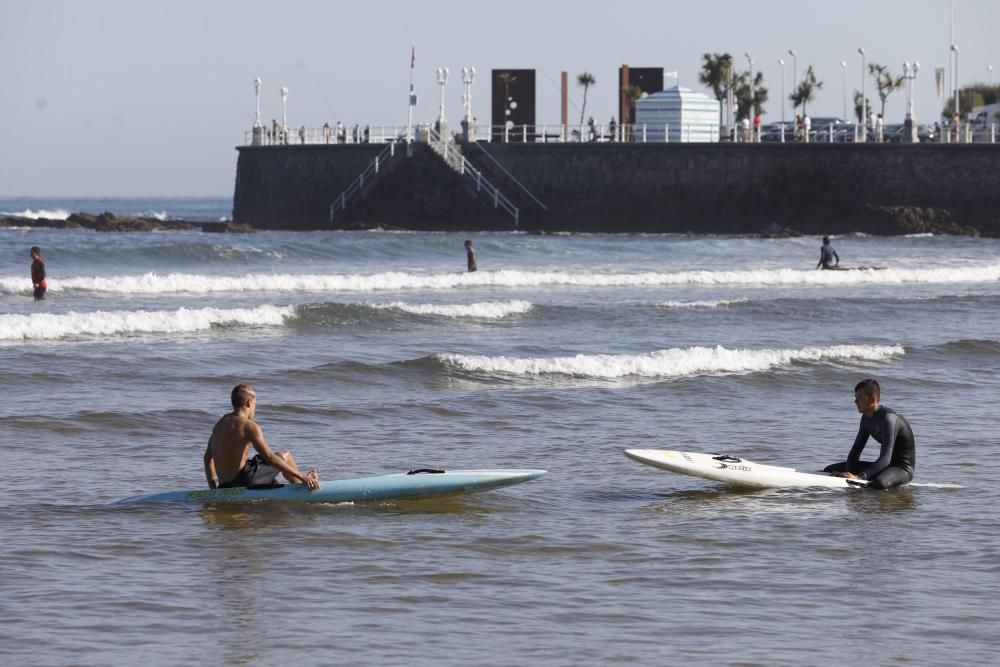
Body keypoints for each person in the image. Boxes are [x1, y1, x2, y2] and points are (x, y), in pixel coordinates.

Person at [203, 384, 320, 490]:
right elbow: (270, 458)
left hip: (225, 486)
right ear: (249, 403)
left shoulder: (219, 425)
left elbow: (207, 459)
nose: (254, 409)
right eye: (255, 404)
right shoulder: (249, 426)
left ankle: (278, 489)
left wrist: (213, 490)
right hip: (245, 481)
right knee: (285, 455)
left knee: (269, 478)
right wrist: (301, 475)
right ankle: (304, 487)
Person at [825, 379, 915, 489]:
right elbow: (856, 450)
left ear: (872, 399)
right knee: (830, 469)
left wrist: (860, 477)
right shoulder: (866, 419)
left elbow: (886, 458)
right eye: (855, 398)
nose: (855, 401)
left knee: (879, 483)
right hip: (886, 466)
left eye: (859, 398)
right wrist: (848, 472)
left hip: (902, 469)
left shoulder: (888, 418)